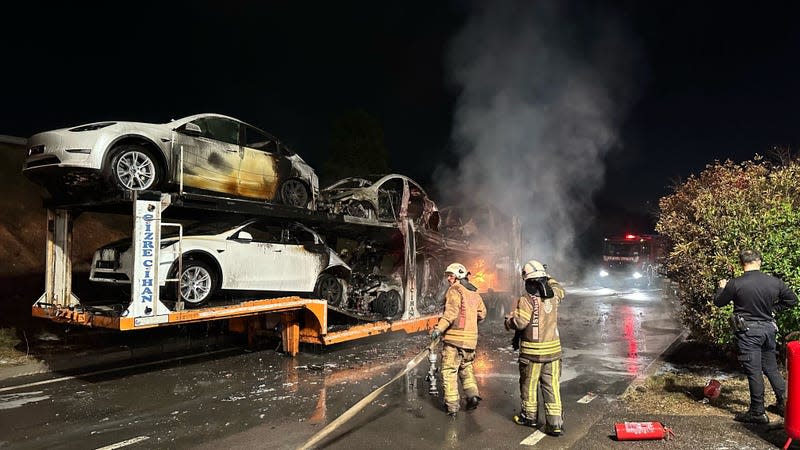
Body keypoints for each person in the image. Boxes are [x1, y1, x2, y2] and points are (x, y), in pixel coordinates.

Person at [713, 249, 798, 423]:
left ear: (741, 263)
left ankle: (757, 412)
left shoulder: (735, 284)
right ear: (758, 261)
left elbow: (719, 302)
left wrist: (721, 288)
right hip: (768, 330)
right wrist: (774, 310)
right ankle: (785, 405)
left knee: (754, 371)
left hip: (748, 332)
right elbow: (792, 300)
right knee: (771, 368)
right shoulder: (774, 282)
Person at [505, 260, 566, 436]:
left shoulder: (526, 299)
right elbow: (560, 288)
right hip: (553, 353)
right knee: (552, 386)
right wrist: (549, 277)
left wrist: (508, 320)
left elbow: (520, 322)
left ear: (528, 281)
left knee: (529, 385)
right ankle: (555, 424)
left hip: (532, 354)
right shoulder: (555, 295)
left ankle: (529, 417)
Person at [430, 262, 487, 416]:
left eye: (451, 275)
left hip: (454, 340)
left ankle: (452, 406)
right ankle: (472, 396)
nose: (448, 279)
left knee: (449, 371)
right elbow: (482, 314)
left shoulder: (455, 290)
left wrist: (438, 329)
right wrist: (470, 323)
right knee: (466, 368)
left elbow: (450, 314)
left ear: (458, 277)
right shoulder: (474, 292)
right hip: (470, 341)